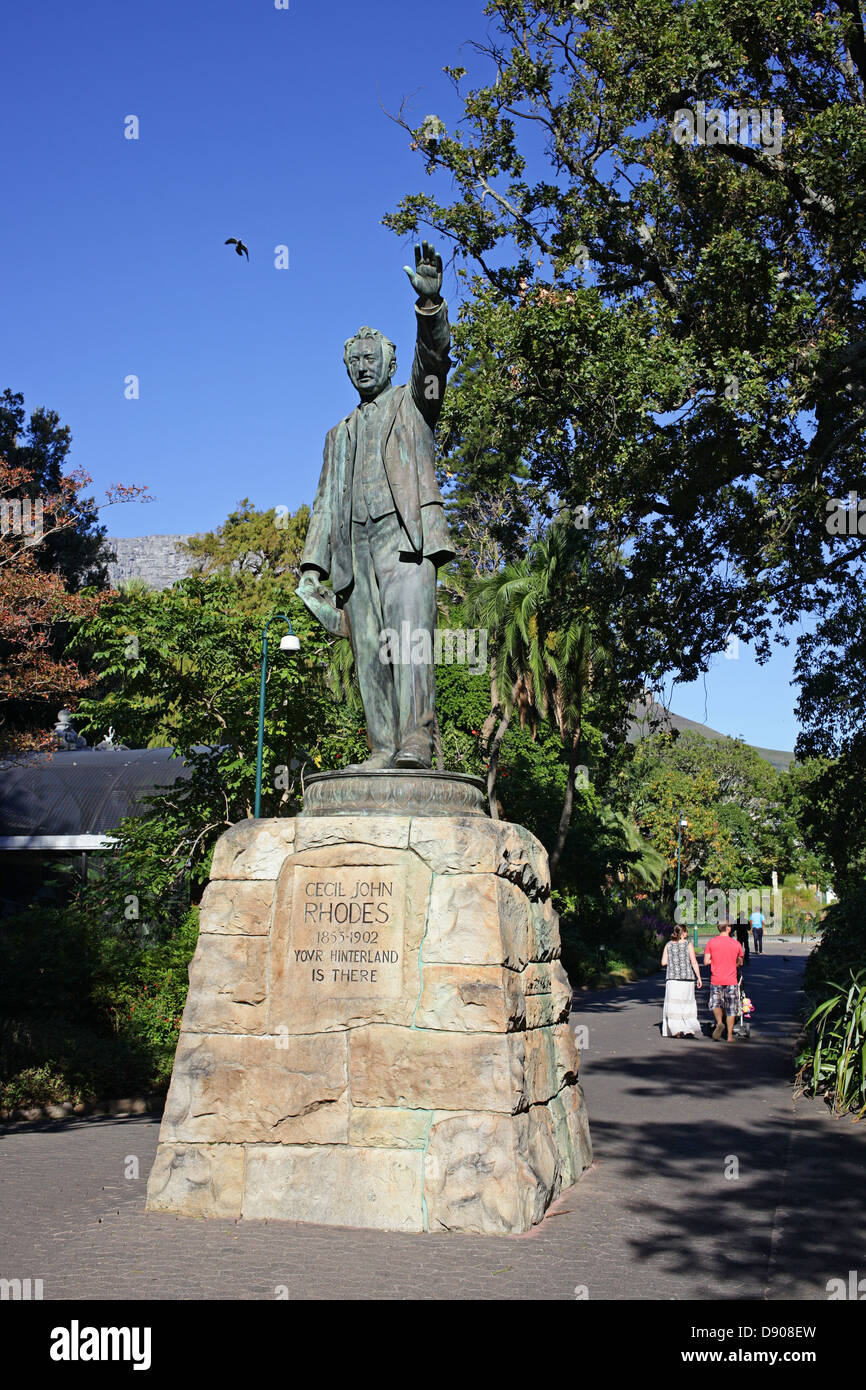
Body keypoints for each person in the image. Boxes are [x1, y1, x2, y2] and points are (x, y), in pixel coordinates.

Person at [297, 241, 455, 771]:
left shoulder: (415, 401)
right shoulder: (336, 434)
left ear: (390, 364)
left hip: (405, 540)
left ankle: (417, 740)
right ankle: (383, 747)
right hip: (354, 552)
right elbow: (324, 503)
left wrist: (429, 309)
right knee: (369, 651)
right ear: (346, 368)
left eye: (372, 359)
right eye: (355, 361)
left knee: (408, 642)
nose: (363, 367)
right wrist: (311, 568)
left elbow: (434, 360)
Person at [704, 920, 745, 1042]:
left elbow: (706, 961)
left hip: (716, 978)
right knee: (731, 1008)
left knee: (716, 1003)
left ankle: (719, 1022)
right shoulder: (736, 944)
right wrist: (734, 962)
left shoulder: (711, 942)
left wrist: (716, 960)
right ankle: (729, 1036)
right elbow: (740, 962)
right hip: (731, 979)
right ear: (728, 928)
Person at [661, 926, 703, 1037]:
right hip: (687, 978)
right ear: (683, 933)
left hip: (673, 979)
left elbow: (663, 962)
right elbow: (693, 961)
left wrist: (674, 961)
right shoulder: (688, 944)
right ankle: (687, 1027)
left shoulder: (668, 945)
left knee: (674, 1005)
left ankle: (676, 1030)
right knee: (686, 1004)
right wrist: (699, 977)